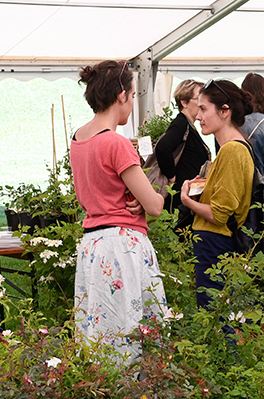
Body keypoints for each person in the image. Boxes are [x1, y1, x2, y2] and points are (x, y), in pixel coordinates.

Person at [71, 60, 166, 361]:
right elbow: (154, 206)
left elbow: (100, 188)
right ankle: (138, 398)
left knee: (99, 330)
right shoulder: (116, 142)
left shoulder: (78, 138)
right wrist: (154, 192)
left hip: (92, 245)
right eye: (134, 95)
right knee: (130, 329)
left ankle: (104, 395)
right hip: (122, 246)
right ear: (122, 95)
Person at [180, 79, 254, 309]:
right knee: (218, 313)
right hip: (218, 242)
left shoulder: (231, 150)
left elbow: (219, 214)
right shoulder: (234, 147)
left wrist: (186, 201)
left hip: (216, 243)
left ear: (225, 111)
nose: (198, 116)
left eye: (204, 109)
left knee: (215, 315)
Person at [153, 79, 210, 229]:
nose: (202, 103)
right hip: (179, 200)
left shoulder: (189, 125)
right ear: (184, 102)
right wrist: (172, 176)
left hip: (185, 198)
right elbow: (163, 147)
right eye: (198, 99)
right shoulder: (181, 123)